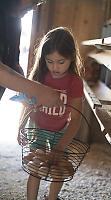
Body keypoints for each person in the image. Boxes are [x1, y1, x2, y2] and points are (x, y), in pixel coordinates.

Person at [18, 27, 84, 200]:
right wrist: (20, 126)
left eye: (61, 62)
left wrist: (61, 146)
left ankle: (51, 198)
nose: (55, 67)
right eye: (50, 61)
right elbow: (27, 104)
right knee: (35, 167)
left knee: (59, 169)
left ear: (71, 57)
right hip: (38, 127)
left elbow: (76, 119)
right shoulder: (40, 75)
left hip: (60, 129)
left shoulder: (75, 82)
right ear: (43, 59)